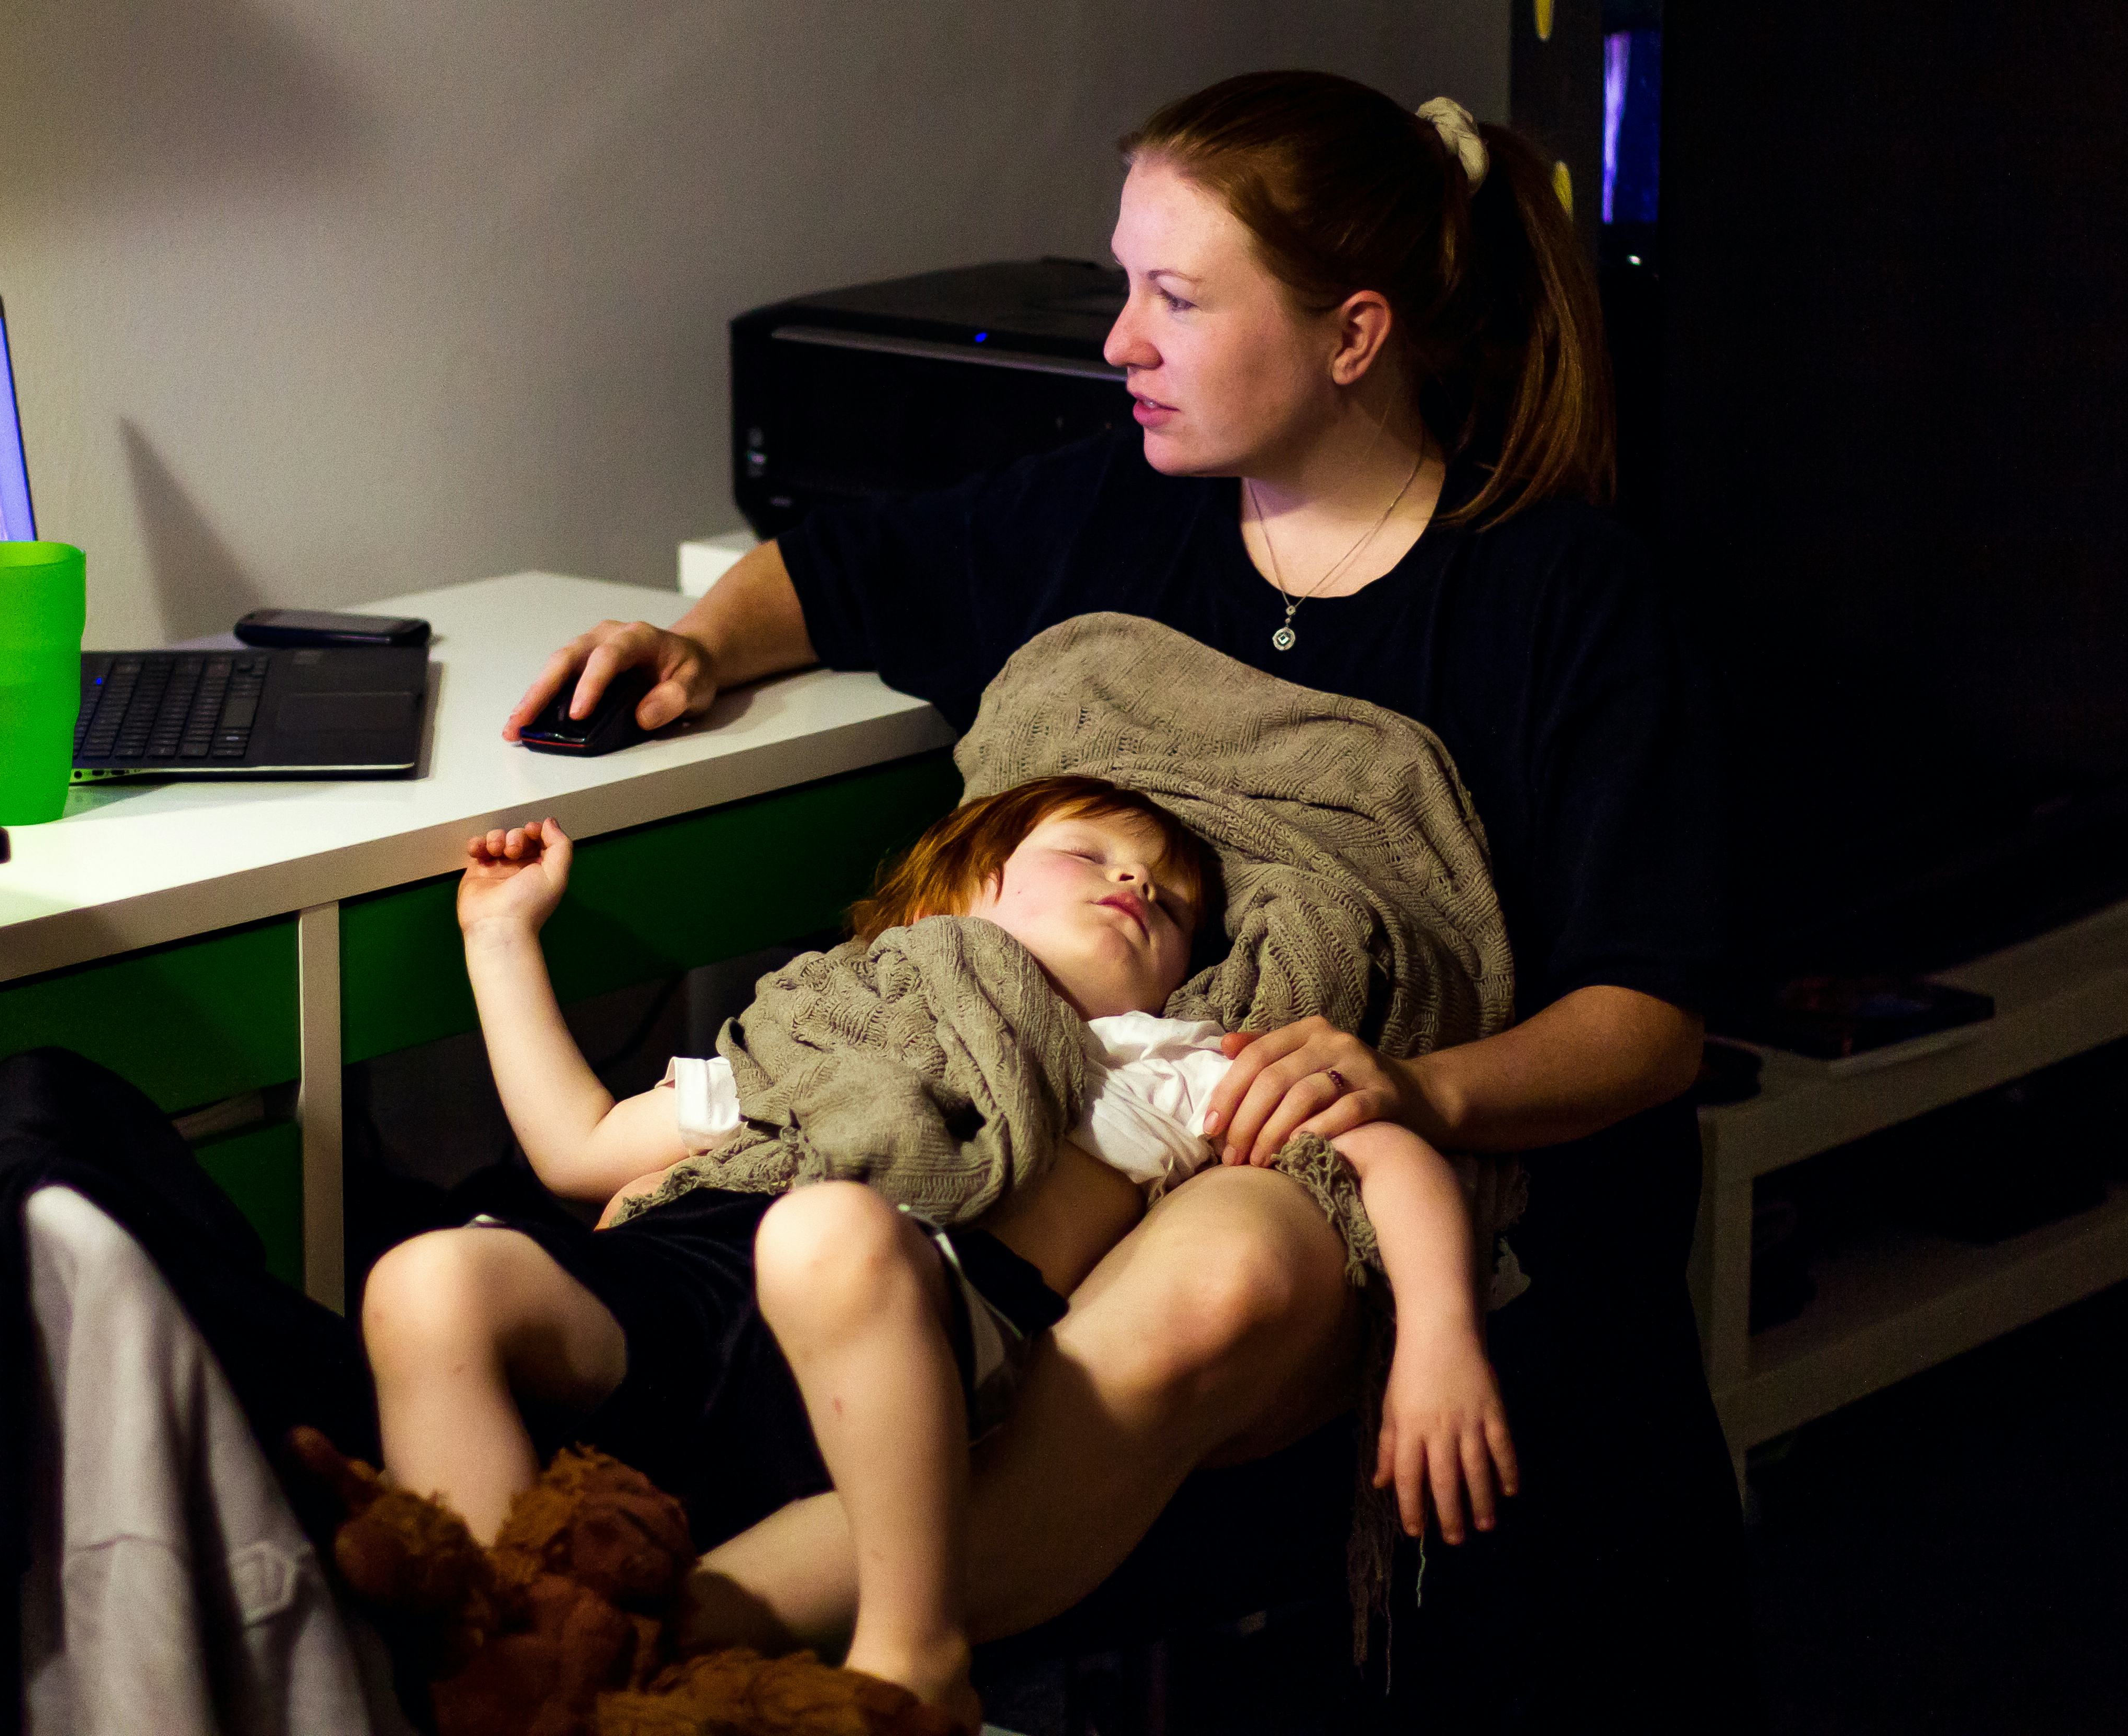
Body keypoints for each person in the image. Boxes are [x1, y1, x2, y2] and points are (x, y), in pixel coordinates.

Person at [499, 69, 1752, 1729]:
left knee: (1217, 1269)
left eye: (1174, 298)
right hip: (1039, 1132)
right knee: (502, 1271)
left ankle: (687, 1634)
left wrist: (1415, 1086)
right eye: (1120, 287)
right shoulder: (1105, 508)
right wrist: (698, 645)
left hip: (1307, 1160)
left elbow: (1648, 1018)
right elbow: (834, 572)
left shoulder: (1550, 594)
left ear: (1352, 335)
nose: (1116, 345)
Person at [360, 776, 1517, 1726]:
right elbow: (582, 1148)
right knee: (428, 1279)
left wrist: (1439, 1336)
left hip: (914, 1313)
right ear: (970, 886)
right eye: (1094, 855)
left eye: (1168, 899)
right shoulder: (832, 1013)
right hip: (693, 1270)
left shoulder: (1150, 1056)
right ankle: (501, 1658)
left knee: (824, 1234)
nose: (1135, 884)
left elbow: (1379, 1150)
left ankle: (913, 1656)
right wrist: (500, 936)